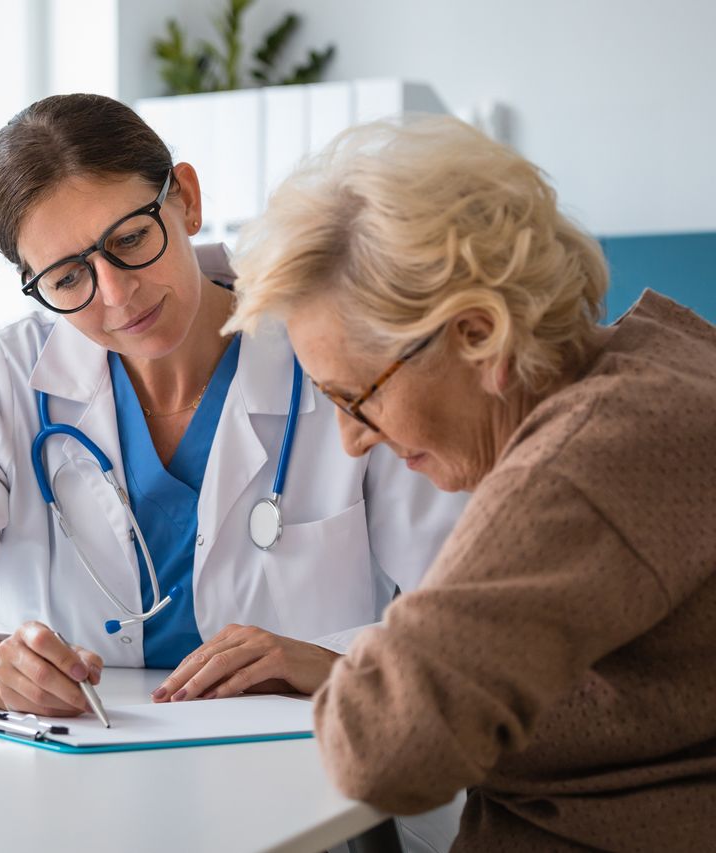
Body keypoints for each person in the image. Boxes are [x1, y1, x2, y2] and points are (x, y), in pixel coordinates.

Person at [0, 93, 463, 721]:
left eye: (130, 238)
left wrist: (333, 659)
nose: (118, 294)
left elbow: (464, 605)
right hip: (84, 773)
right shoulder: (5, 380)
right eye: (69, 278)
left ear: (186, 200)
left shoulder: (331, 351)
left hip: (312, 766)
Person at [224, 114, 716, 851]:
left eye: (357, 396)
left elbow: (384, 749)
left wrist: (359, 677)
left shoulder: (584, 462)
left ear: (479, 332)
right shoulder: (666, 360)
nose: (353, 439)